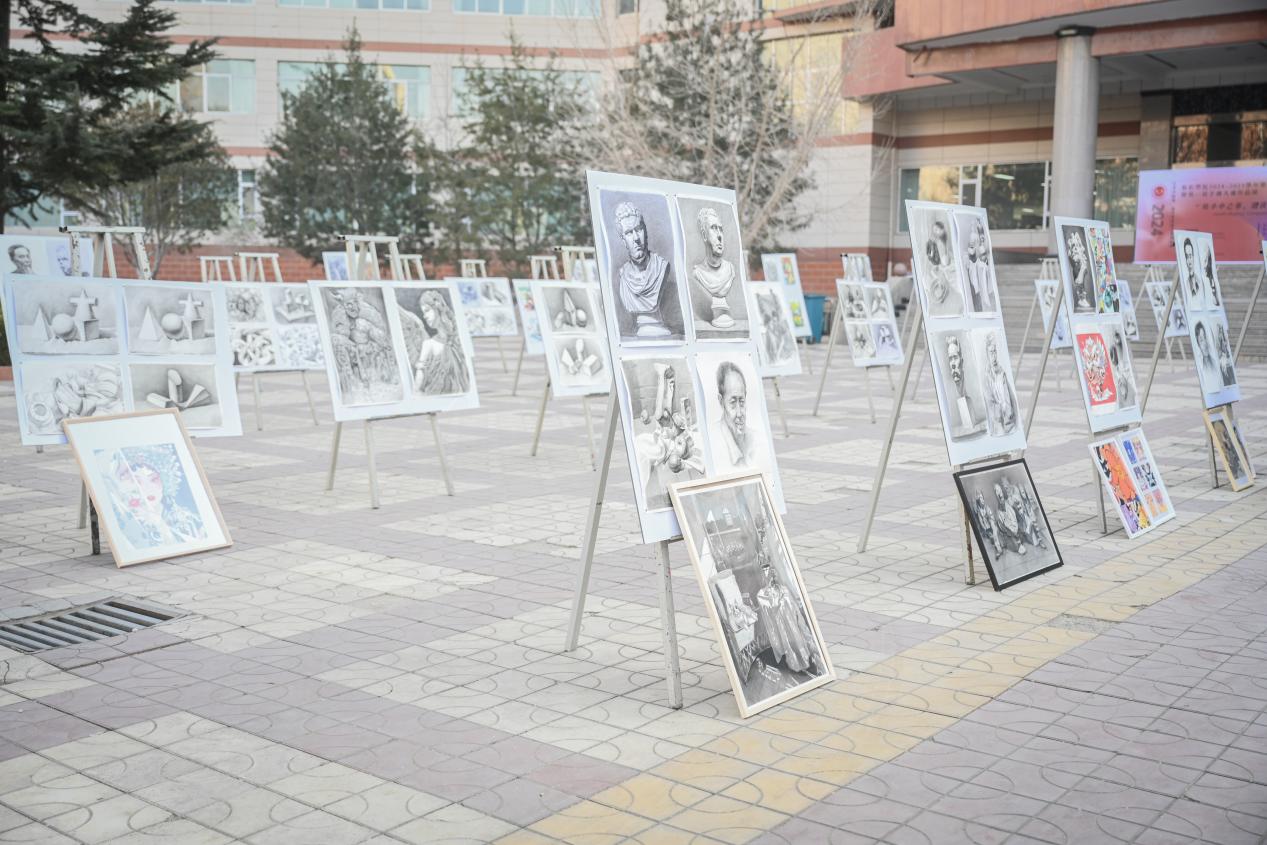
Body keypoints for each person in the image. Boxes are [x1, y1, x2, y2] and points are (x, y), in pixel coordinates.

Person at [99, 446, 207, 550]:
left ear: (165, 480)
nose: (148, 488)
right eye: (136, 481)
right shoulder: (122, 519)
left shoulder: (189, 522)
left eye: (153, 479)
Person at [613, 201, 673, 338]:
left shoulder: (661, 267)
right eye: (629, 233)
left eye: (639, 229)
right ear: (623, 240)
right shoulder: (623, 276)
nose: (636, 238)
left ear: (645, 232)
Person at [754, 564, 816, 674]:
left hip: (790, 620)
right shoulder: (761, 594)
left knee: (797, 639)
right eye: (765, 574)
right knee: (786, 642)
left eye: (770, 573)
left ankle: (805, 661)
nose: (769, 577)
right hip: (778, 623)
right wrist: (776, 601)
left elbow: (792, 605)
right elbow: (768, 608)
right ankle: (794, 664)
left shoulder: (783, 589)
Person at [412, 290, 470, 394]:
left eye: (427, 310)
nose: (424, 316)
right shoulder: (428, 344)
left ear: (437, 308)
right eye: (423, 313)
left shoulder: (457, 338)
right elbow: (418, 385)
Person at [691, 207, 739, 329]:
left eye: (721, 229)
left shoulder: (730, 269)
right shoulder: (698, 273)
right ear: (704, 235)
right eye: (713, 228)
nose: (719, 236)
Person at [710, 361, 757, 469]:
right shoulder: (713, 440)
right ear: (721, 401)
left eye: (742, 401)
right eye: (733, 402)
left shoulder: (756, 438)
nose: (739, 413)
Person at [981, 332, 1018, 434]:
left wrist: (1008, 411)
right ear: (987, 354)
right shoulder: (986, 376)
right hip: (997, 420)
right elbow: (990, 401)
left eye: (995, 352)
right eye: (991, 352)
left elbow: (1007, 395)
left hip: (1008, 417)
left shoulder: (1001, 372)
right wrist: (999, 414)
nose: (994, 355)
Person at [961, 216, 995, 313]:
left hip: (982, 270)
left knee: (984, 291)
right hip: (976, 272)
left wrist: (979, 226)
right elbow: (971, 255)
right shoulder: (971, 250)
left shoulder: (981, 245)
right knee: (979, 293)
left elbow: (983, 252)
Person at [922, 218, 955, 307]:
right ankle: (939, 293)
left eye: (937, 230)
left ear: (942, 229)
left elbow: (945, 256)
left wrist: (943, 263)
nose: (935, 232)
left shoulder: (942, 241)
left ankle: (941, 292)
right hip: (941, 265)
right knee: (933, 275)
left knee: (938, 276)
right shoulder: (938, 241)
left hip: (945, 265)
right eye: (934, 230)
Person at [1064, 227, 1093, 311]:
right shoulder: (1076, 265)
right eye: (1073, 249)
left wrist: (1082, 268)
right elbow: (1078, 282)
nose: (1074, 252)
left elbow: (1079, 282)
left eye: (1076, 249)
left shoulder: (1082, 264)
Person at [1216, 321, 1236, 387]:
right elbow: (1219, 351)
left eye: (1221, 330)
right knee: (1226, 381)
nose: (1221, 332)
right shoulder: (1219, 340)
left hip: (1227, 361)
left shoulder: (1224, 338)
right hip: (1223, 361)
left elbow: (1226, 348)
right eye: (1220, 330)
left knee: (1232, 379)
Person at [1182, 238, 1201, 305]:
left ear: (1193, 256)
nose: (1189, 259)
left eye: (1190, 255)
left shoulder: (1199, 281)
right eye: (1187, 256)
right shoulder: (1186, 283)